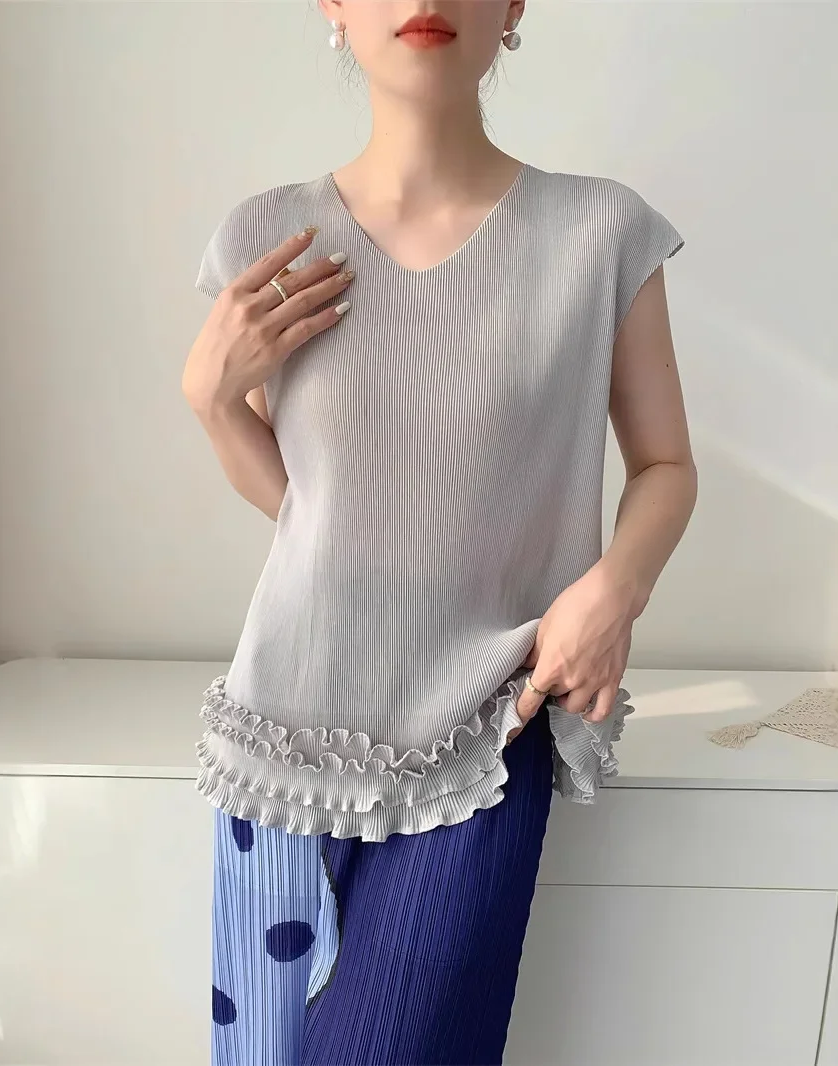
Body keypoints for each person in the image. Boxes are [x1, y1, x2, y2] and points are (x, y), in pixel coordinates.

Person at [181, 2, 697, 1063]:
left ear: (512, 8)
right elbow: (313, 513)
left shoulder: (598, 234)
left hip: (485, 734)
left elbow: (666, 466)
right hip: (282, 732)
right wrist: (212, 403)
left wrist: (612, 590)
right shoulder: (266, 237)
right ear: (333, 6)